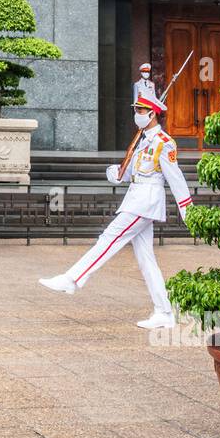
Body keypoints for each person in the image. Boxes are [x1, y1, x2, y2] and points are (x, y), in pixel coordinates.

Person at [38, 93, 192, 329]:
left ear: (153, 114)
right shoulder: (142, 140)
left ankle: (73, 279)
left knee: (109, 239)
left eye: (141, 111)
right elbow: (130, 173)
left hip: (145, 203)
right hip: (136, 197)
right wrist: (116, 173)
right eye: (136, 110)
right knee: (146, 260)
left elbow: (176, 179)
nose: (137, 115)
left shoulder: (164, 142)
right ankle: (164, 312)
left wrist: (187, 210)